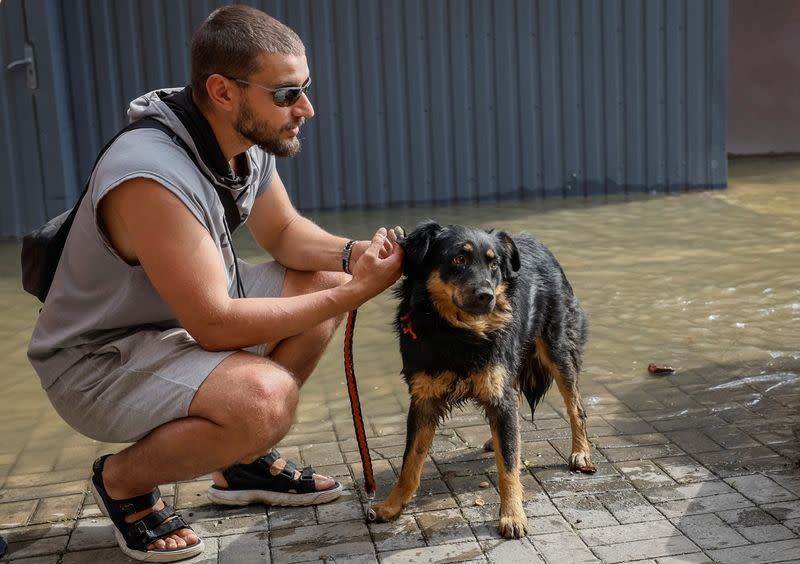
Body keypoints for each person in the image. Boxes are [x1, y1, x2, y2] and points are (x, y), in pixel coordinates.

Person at [27, 5, 403, 562]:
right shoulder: (151, 176)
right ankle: (123, 481)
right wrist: (353, 293)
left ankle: (242, 461)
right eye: (285, 93)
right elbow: (214, 324)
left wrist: (358, 257)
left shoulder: (239, 139)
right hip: (96, 361)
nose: (306, 108)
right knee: (266, 400)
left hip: (172, 328)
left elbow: (284, 233)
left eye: (305, 88)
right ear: (223, 91)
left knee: (323, 274)